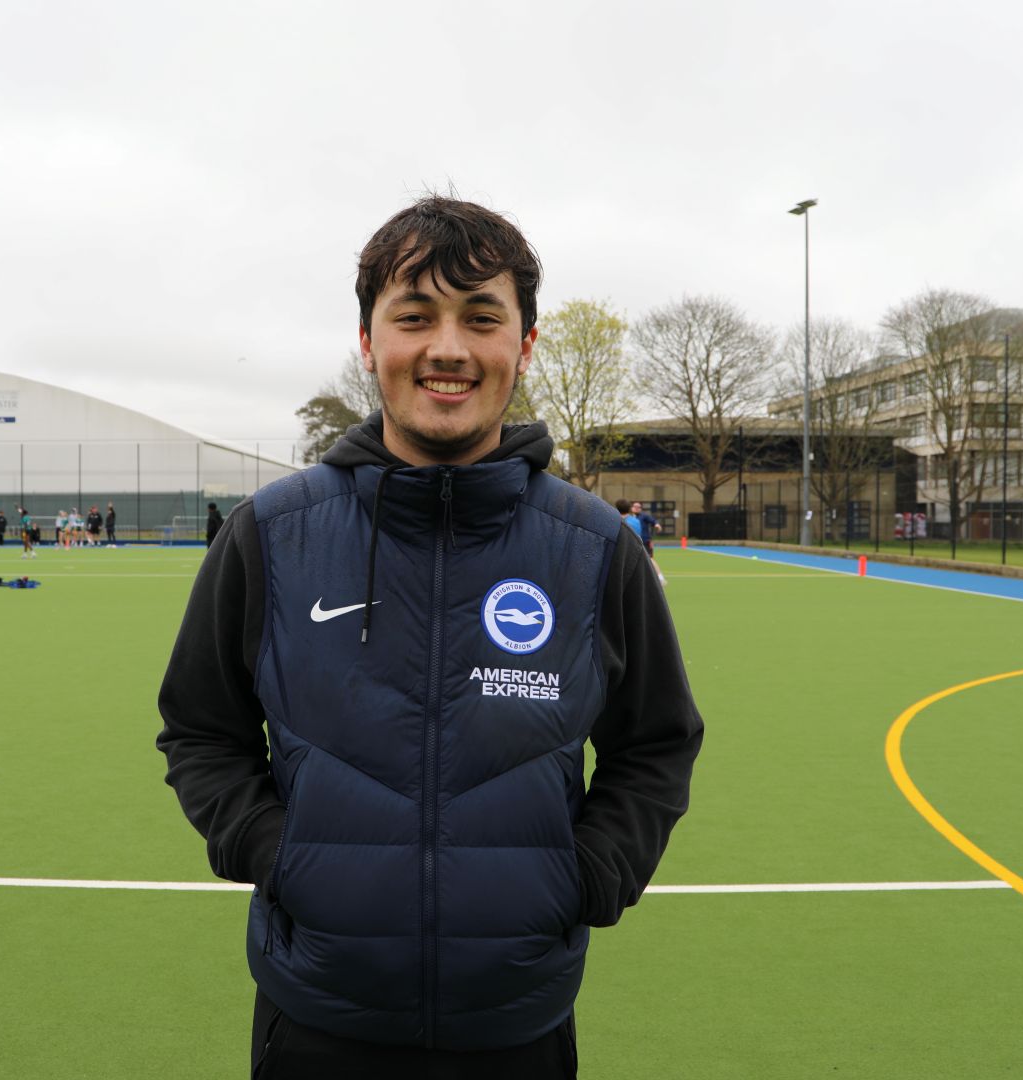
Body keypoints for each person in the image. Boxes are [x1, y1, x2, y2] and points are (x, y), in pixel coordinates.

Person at [156, 195, 703, 1078]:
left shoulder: (596, 547)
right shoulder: (271, 534)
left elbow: (656, 745)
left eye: (481, 317)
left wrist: (588, 876)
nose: (448, 348)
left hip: (518, 1023)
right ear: (368, 342)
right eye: (414, 316)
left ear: (524, 344)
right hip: (315, 1016)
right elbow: (200, 730)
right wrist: (278, 856)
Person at [631, 501, 667, 586]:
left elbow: (654, 521)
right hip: (633, 542)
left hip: (645, 542)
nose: (636, 508)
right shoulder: (630, 517)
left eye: (638, 507)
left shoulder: (644, 516)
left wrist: (657, 525)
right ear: (631, 508)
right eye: (635, 507)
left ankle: (660, 578)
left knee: (650, 559)